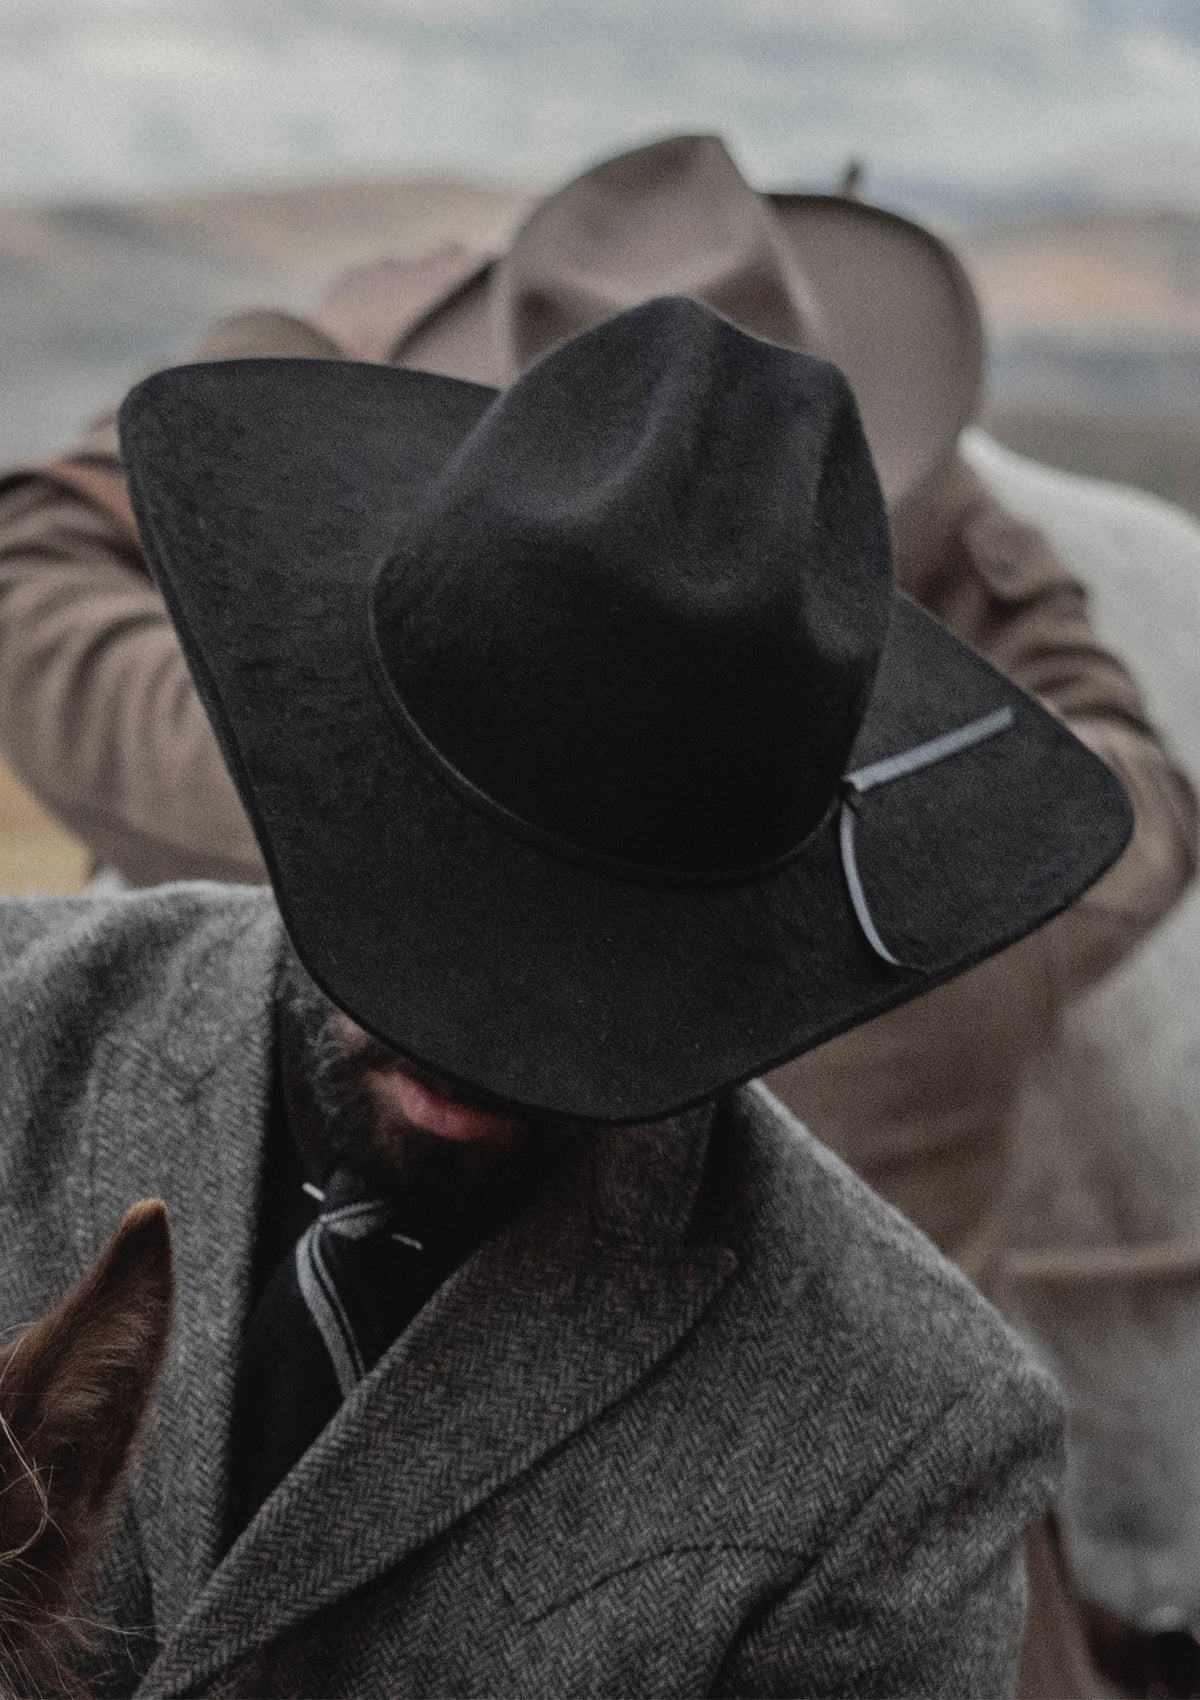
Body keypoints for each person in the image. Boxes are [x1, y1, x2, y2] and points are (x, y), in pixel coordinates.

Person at [0, 296, 1130, 1696]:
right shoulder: (21, 1028)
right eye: (443, 891)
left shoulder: (910, 1437)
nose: (479, 1028)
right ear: (328, 752)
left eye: (590, 952)